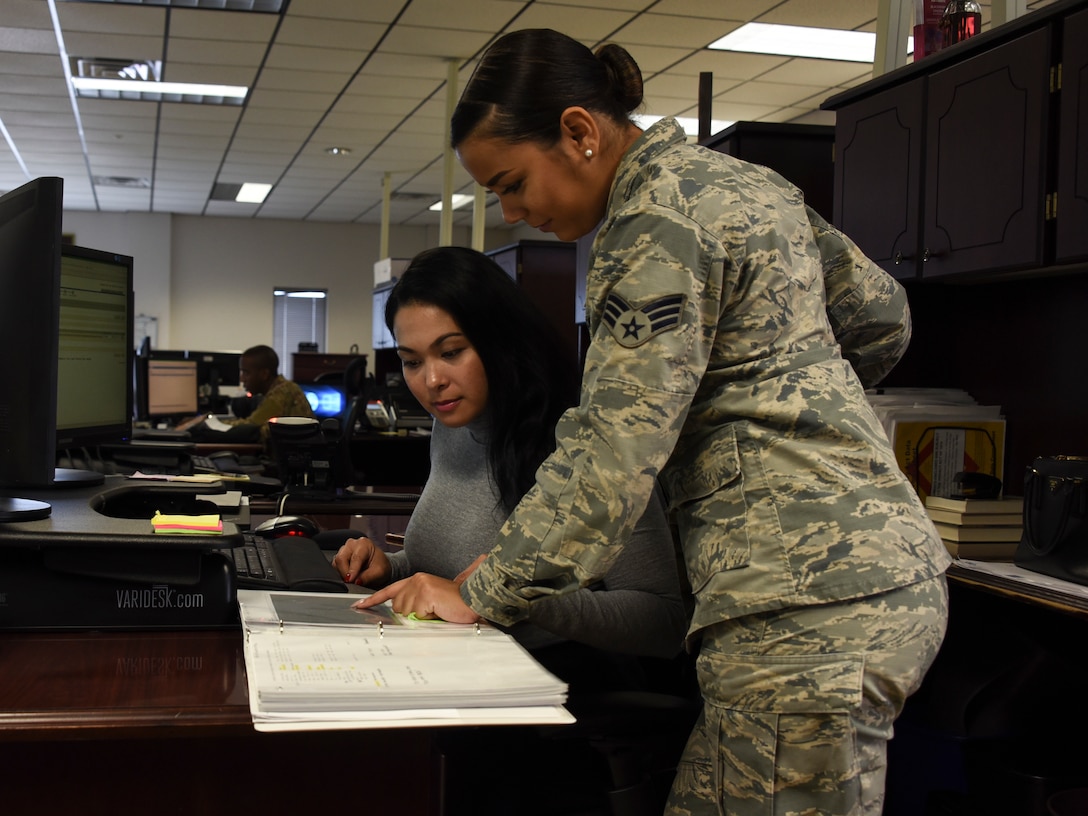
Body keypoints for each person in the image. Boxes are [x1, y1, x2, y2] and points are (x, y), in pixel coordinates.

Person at [356, 28, 952, 816]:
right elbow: (881, 319)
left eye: (512, 183)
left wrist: (488, 594)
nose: (513, 211)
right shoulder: (742, 185)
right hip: (852, 579)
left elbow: (611, 451)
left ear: (578, 132)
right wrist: (780, 406)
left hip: (802, 601)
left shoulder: (651, 226)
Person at [333, 246, 688, 680]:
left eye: (451, 352)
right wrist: (394, 566)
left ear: (500, 341)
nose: (431, 381)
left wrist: (509, 594)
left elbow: (663, 622)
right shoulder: (450, 426)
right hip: (446, 673)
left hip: (547, 697)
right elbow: (450, 569)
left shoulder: (586, 447)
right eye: (411, 361)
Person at [177, 344, 314, 444]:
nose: (242, 379)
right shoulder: (283, 388)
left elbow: (250, 426)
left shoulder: (281, 393)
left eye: (246, 372)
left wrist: (206, 424)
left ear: (264, 374)